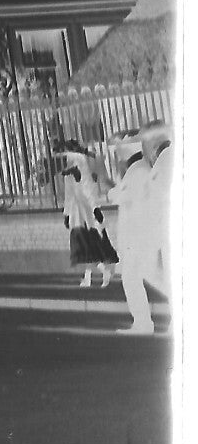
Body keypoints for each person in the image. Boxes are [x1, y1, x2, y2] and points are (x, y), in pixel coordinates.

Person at [107, 121, 171, 335]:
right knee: (149, 276)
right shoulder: (138, 170)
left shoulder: (140, 171)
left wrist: (111, 193)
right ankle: (143, 322)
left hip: (141, 237)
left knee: (148, 277)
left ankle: (143, 323)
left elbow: (126, 196)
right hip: (139, 237)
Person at [57, 145, 117, 289]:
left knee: (86, 248)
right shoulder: (76, 169)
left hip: (82, 218)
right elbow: (79, 192)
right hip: (83, 217)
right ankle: (90, 277)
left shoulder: (76, 170)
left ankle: (101, 272)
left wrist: (68, 214)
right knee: (89, 249)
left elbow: (80, 192)